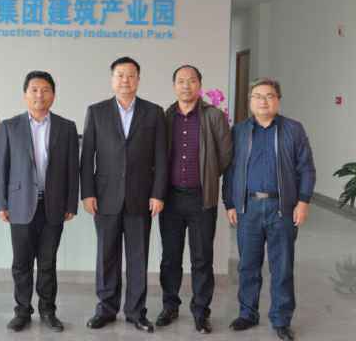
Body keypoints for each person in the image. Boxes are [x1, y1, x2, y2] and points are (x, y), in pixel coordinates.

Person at [223, 78, 316, 341]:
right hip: (248, 208)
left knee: (282, 267)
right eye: (258, 96)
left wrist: (303, 201)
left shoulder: (293, 129)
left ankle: (281, 320)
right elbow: (230, 170)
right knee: (248, 266)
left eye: (269, 96)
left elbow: (306, 168)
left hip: (282, 208)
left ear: (278, 100)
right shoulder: (239, 131)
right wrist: (230, 203)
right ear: (250, 101)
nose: (263, 101)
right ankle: (247, 313)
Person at [81, 56, 167, 333]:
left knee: (138, 257)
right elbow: (87, 157)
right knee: (106, 255)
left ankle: (136, 312)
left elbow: (161, 157)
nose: (125, 80)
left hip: (141, 197)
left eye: (131, 75)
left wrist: (158, 193)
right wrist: (87, 193)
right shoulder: (96, 112)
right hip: (105, 196)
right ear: (112, 79)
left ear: (138, 80)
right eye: (120, 75)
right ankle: (105, 309)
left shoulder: (154, 112)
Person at [0, 71, 79, 332]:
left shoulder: (66, 127)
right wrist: (1, 203)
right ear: (25, 95)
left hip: (53, 205)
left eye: (45, 90)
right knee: (21, 263)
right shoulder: (9, 126)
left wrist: (71, 204)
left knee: (47, 263)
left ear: (53, 95)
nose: (39, 95)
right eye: (34, 90)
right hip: (19, 205)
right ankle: (22, 311)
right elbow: (2, 167)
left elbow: (72, 169)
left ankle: (48, 311)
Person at [156, 65, 232, 334]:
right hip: (171, 199)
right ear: (174, 86)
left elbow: (225, 156)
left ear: (200, 84)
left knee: (202, 258)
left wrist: (208, 175)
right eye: (181, 81)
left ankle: (201, 312)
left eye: (191, 81)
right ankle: (170, 306)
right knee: (170, 257)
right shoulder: (165, 117)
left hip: (201, 199)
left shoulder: (213, 116)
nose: (186, 85)